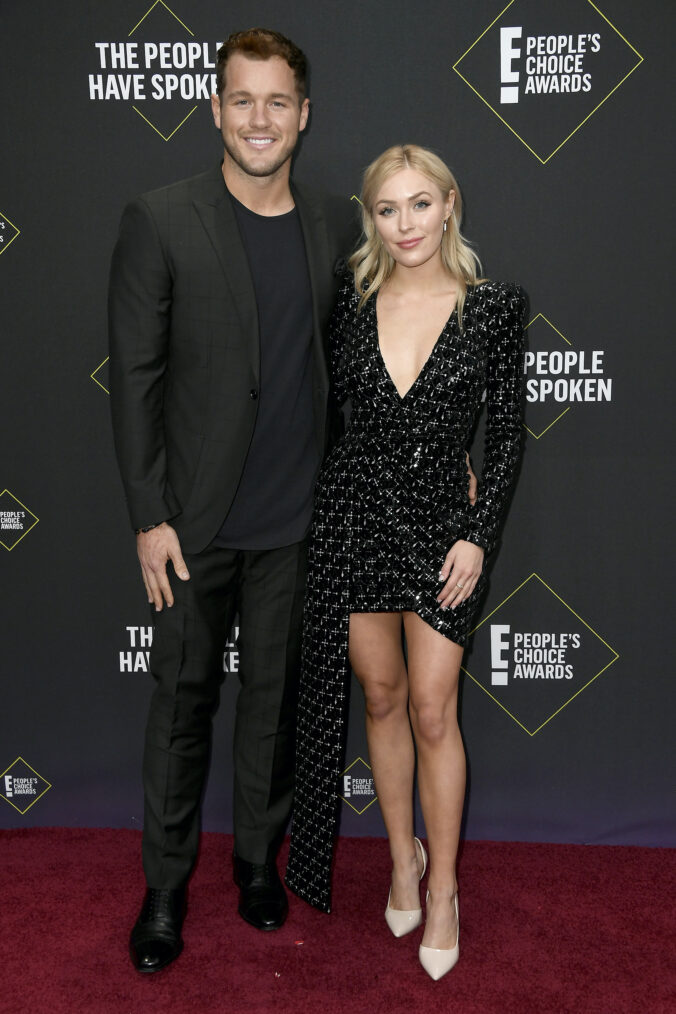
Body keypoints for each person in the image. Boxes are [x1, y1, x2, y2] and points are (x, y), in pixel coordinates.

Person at [108, 28, 357, 973]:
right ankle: (164, 892)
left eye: (278, 102)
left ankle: (260, 864)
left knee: (276, 706)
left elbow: (368, 358)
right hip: (191, 526)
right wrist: (147, 515)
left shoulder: (334, 224)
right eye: (242, 100)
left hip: (297, 520)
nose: (260, 119)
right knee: (181, 707)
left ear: (304, 114)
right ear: (215, 108)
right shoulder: (161, 217)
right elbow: (133, 380)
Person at [286, 144, 526, 981]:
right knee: (381, 699)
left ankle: (447, 888)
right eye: (388, 210)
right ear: (371, 220)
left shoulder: (493, 308)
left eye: (420, 205)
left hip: (443, 529)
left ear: (451, 204)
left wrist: (478, 533)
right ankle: (400, 861)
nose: (405, 224)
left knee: (432, 708)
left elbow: (506, 439)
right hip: (354, 520)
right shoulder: (348, 303)